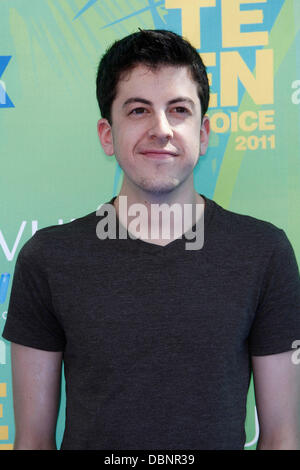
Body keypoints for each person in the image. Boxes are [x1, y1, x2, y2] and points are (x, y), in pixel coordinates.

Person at [2, 29, 300, 450]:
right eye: (139, 110)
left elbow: (282, 437)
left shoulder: (264, 253)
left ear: (203, 132)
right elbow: (32, 440)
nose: (161, 129)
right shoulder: (49, 259)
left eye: (179, 109)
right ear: (107, 134)